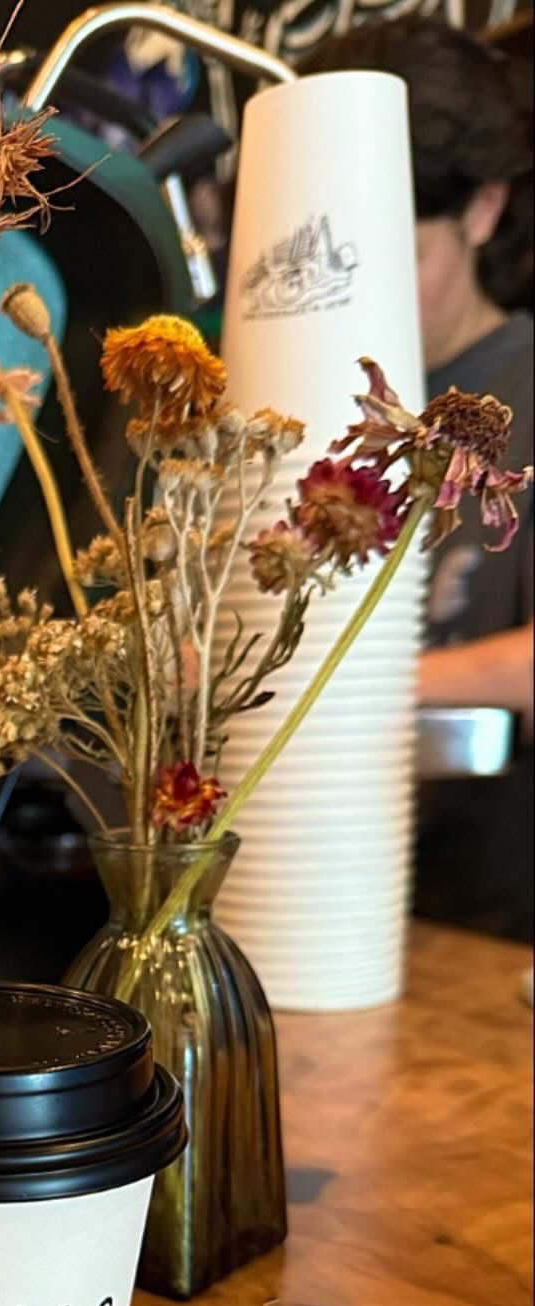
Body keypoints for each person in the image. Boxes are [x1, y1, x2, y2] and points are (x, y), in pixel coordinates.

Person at [305, 20, 534, 942]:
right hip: (326, 897)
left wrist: (356, 685)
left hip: (487, 924)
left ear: (482, 209)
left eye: (394, 248)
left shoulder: (519, 385)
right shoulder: (318, 389)